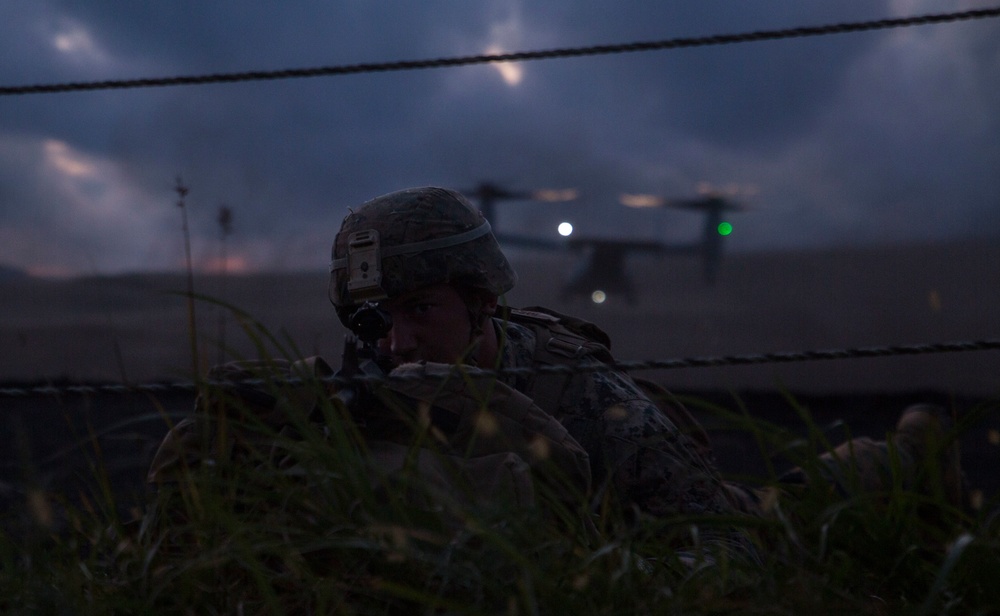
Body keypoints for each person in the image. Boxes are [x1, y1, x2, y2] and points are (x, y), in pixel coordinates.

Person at [147, 186, 964, 563]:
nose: (393, 343)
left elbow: (720, 543)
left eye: (420, 309)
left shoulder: (584, 394)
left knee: (788, 519)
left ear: (481, 301)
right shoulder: (374, 377)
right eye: (373, 318)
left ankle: (906, 455)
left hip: (655, 519)